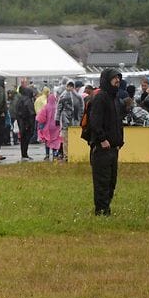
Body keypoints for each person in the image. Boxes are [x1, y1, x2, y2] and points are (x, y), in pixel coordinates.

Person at [85, 69, 124, 216]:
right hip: (102, 148)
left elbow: (117, 121)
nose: (117, 80)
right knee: (102, 181)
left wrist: (120, 140)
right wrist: (102, 139)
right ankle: (101, 211)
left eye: (118, 78)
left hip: (113, 147)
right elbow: (95, 122)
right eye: (114, 78)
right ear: (107, 80)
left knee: (111, 182)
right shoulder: (100, 97)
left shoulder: (114, 97)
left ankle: (106, 208)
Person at [55, 80, 83, 161]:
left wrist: (80, 119)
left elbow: (81, 109)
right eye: (69, 86)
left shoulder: (78, 97)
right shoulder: (63, 96)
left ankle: (74, 155)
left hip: (75, 122)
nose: (70, 88)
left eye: (71, 86)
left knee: (74, 139)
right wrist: (57, 118)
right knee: (66, 140)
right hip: (65, 122)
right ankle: (66, 156)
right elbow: (59, 108)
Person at [13, 82, 36, 160]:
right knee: (26, 139)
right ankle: (25, 155)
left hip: (22, 122)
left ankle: (24, 154)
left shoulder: (20, 99)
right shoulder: (28, 100)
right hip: (27, 122)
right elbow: (31, 113)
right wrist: (30, 123)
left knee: (23, 139)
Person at [36, 90, 62, 161]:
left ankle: (47, 155)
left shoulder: (46, 107)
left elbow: (41, 117)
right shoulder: (57, 107)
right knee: (55, 141)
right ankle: (54, 154)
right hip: (56, 127)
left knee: (47, 140)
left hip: (47, 127)